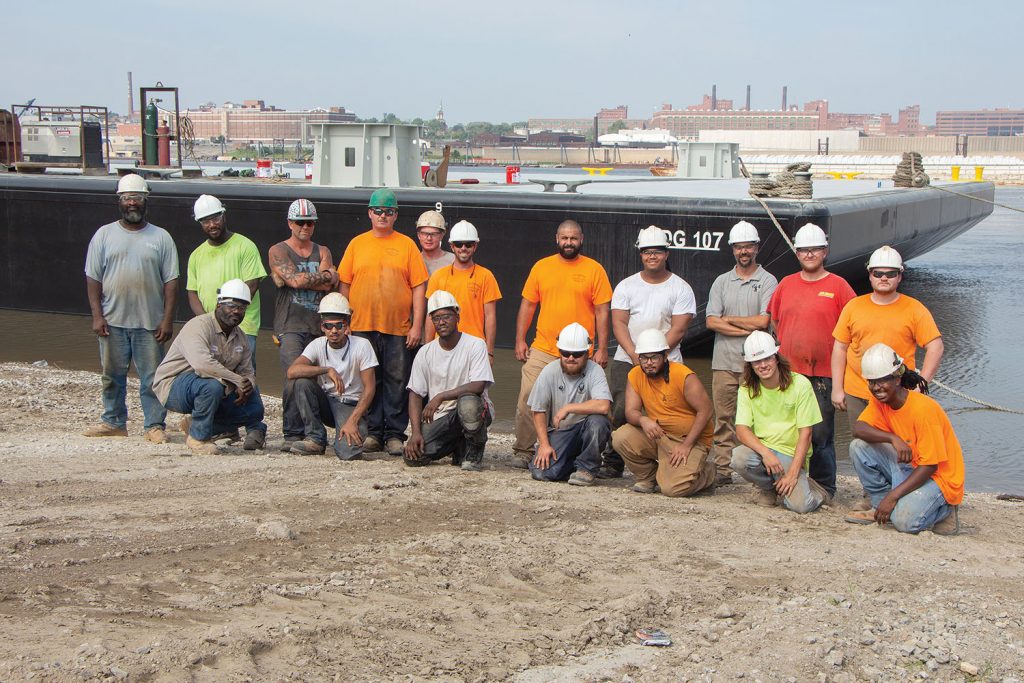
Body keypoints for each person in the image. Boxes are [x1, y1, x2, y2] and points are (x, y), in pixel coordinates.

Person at [832, 245, 943, 511]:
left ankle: (904, 493)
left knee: (904, 447)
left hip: (899, 394)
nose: (884, 278)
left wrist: (921, 384)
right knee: (863, 443)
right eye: (878, 272)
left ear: (899, 276)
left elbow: (935, 346)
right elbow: (840, 347)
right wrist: (837, 387)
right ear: (870, 275)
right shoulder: (854, 307)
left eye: (890, 273)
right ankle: (873, 493)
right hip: (859, 389)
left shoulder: (914, 309)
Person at [83, 174, 178, 444]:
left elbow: (171, 282)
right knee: (111, 375)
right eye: (127, 198)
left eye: (137, 198)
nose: (132, 203)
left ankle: (154, 425)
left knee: (153, 377)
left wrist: (167, 320)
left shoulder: (161, 237)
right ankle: (113, 421)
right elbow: (93, 278)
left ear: (146, 200)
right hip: (112, 321)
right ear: (119, 201)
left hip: (150, 323)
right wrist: (97, 316)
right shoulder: (104, 235)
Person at [512, 219, 613, 468]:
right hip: (544, 348)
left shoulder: (594, 270)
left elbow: (602, 311)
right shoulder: (541, 267)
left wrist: (601, 348)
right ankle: (523, 450)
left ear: (581, 239)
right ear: (557, 239)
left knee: (592, 406)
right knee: (527, 397)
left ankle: (581, 450)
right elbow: (528, 305)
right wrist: (519, 340)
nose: (569, 243)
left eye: (574, 238)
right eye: (564, 238)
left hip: (581, 353)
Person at [766, 223, 855, 500]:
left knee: (820, 435)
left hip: (824, 375)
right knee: (787, 430)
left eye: (815, 249)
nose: (809, 254)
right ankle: (790, 480)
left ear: (825, 251)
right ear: (797, 252)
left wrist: (841, 381)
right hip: (789, 373)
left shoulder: (839, 286)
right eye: (804, 250)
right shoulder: (786, 284)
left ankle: (825, 487)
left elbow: (852, 329)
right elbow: (775, 320)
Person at [338, 188, 429, 456]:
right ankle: (373, 432)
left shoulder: (407, 245)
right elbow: (345, 284)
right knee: (369, 380)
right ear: (369, 213)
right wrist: (346, 322)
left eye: (388, 211)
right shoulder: (357, 244)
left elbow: (419, 288)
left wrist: (416, 326)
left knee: (397, 380)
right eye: (378, 210)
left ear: (396, 215)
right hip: (362, 325)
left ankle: (394, 434)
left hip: (398, 327)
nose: (383, 215)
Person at [601, 225, 696, 479]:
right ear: (640, 254)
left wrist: (655, 358)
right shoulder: (626, 286)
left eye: (657, 251)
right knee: (620, 409)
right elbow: (619, 323)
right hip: (627, 359)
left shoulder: (681, 288)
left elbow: (679, 329)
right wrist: (636, 356)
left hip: (669, 361)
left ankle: (673, 457)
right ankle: (613, 461)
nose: (651, 256)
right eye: (646, 252)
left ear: (666, 254)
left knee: (670, 411)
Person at [844, 344, 963, 535]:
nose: (876, 388)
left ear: (898, 379)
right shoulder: (880, 401)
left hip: (938, 479)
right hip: (911, 467)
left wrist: (893, 497)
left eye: (882, 381)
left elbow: (930, 466)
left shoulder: (924, 410)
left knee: (904, 522)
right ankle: (879, 505)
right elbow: (859, 428)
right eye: (872, 382)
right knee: (859, 447)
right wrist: (892, 438)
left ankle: (945, 510)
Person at [153, 279, 266, 455]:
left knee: (254, 407)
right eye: (231, 305)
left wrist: (246, 384)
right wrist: (236, 380)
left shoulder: (241, 337)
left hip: (216, 388)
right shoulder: (198, 325)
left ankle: (197, 424)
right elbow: (202, 364)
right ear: (218, 304)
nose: (236, 311)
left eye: (242, 307)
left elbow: (247, 371)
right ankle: (198, 439)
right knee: (211, 385)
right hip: (175, 387)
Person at [705, 220, 778, 486]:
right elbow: (711, 321)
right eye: (738, 247)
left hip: (757, 364)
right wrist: (745, 331)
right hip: (724, 362)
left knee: (759, 419)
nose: (743, 251)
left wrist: (730, 320)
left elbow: (763, 322)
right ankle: (723, 470)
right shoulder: (722, 282)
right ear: (732, 249)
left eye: (748, 246)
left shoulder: (768, 281)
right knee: (723, 418)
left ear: (757, 248)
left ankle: (759, 468)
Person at [268, 198, 338, 449]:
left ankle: (310, 432)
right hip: (289, 325)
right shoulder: (278, 250)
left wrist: (301, 278)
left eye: (310, 222)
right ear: (290, 222)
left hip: (318, 325)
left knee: (313, 380)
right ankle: (293, 433)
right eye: (300, 222)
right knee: (294, 376)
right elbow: (299, 282)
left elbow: (327, 284)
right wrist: (325, 275)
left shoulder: (323, 250)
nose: (305, 227)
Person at [731, 331, 828, 513]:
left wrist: (792, 474)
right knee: (739, 458)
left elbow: (806, 433)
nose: (763, 365)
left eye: (767, 359)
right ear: (750, 365)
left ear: (776, 357)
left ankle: (817, 492)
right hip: (765, 451)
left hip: (791, 454)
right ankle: (769, 488)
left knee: (800, 506)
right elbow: (742, 430)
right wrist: (765, 453)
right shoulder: (746, 389)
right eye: (757, 361)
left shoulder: (800, 384)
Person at [610, 329, 715, 496]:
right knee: (620, 436)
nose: (648, 363)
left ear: (665, 356)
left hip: (690, 440)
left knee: (673, 489)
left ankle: (707, 473)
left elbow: (706, 410)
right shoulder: (635, 375)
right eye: (644, 358)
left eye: (654, 357)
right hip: (659, 435)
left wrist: (686, 445)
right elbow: (631, 411)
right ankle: (648, 477)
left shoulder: (683, 375)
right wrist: (644, 420)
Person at [404, 291, 494, 471]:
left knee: (468, 403)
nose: (441, 322)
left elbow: (478, 385)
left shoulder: (476, 345)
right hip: (442, 417)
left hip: (472, 408)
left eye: (446, 316)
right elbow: (415, 394)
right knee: (413, 457)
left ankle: (474, 452)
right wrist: (415, 433)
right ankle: (458, 445)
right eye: (436, 318)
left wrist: (440, 397)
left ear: (457, 317)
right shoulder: (425, 352)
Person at [285, 293, 378, 459]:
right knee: (301, 382)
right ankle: (315, 439)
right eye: (329, 326)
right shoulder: (317, 344)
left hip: (351, 405)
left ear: (347, 325)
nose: (334, 331)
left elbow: (370, 387)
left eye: (339, 325)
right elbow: (292, 371)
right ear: (322, 327)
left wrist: (353, 420)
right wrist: (326, 369)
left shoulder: (362, 345)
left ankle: (348, 432)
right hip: (327, 402)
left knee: (348, 454)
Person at [185, 194, 267, 365]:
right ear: (200, 223)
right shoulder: (196, 255)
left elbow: (252, 285)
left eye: (215, 218)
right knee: (212, 378)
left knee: (244, 378)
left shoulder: (245, 246)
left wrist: (227, 315)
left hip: (242, 327)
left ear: (224, 215)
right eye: (205, 221)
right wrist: (209, 322)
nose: (212, 224)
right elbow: (192, 293)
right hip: (210, 329)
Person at [527, 323, 612, 486]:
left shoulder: (596, 371)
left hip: (585, 428)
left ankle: (587, 469)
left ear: (587, 353)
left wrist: (569, 408)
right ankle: (573, 464)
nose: (571, 358)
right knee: (542, 473)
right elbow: (537, 410)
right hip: (561, 432)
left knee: (598, 422)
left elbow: (603, 406)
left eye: (577, 354)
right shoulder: (549, 371)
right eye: (566, 353)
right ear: (559, 352)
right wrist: (544, 445)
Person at [424, 220, 502, 360]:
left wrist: (489, 352)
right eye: (459, 244)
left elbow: (490, 317)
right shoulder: (438, 277)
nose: (463, 248)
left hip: (475, 348)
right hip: (442, 347)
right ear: (452, 246)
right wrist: (428, 349)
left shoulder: (486, 276)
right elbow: (431, 316)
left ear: (475, 246)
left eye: (468, 244)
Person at [415, 210, 455, 275]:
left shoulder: (453, 261)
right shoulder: (412, 261)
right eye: (425, 233)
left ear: (442, 235)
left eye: (433, 234)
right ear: (418, 235)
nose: (429, 238)